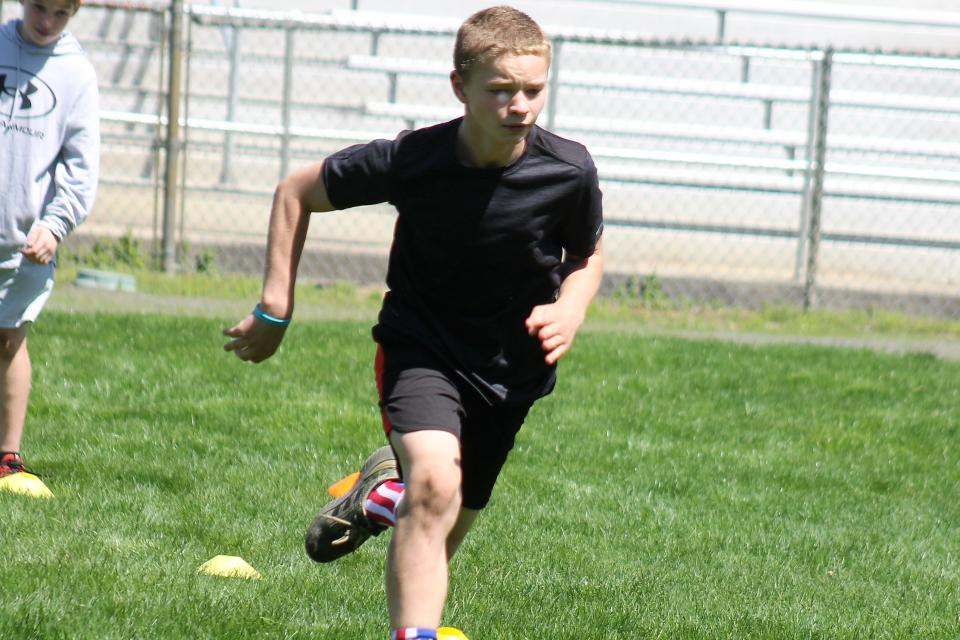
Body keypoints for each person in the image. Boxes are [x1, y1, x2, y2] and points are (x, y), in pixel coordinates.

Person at [224, 6, 603, 639]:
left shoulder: (568, 171)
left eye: (534, 90)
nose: (520, 106)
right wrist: (275, 306)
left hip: (512, 369)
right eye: (501, 90)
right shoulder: (414, 160)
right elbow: (297, 191)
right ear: (460, 87)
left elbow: (585, 254)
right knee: (432, 483)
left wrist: (571, 306)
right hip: (421, 347)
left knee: (445, 516)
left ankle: (379, 497)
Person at [0, 0, 100, 479]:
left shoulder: (75, 74)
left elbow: (81, 169)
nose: (46, 21)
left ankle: (7, 455)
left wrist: (55, 224)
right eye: (40, 7)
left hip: (23, 242)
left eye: (60, 13)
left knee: (8, 338)